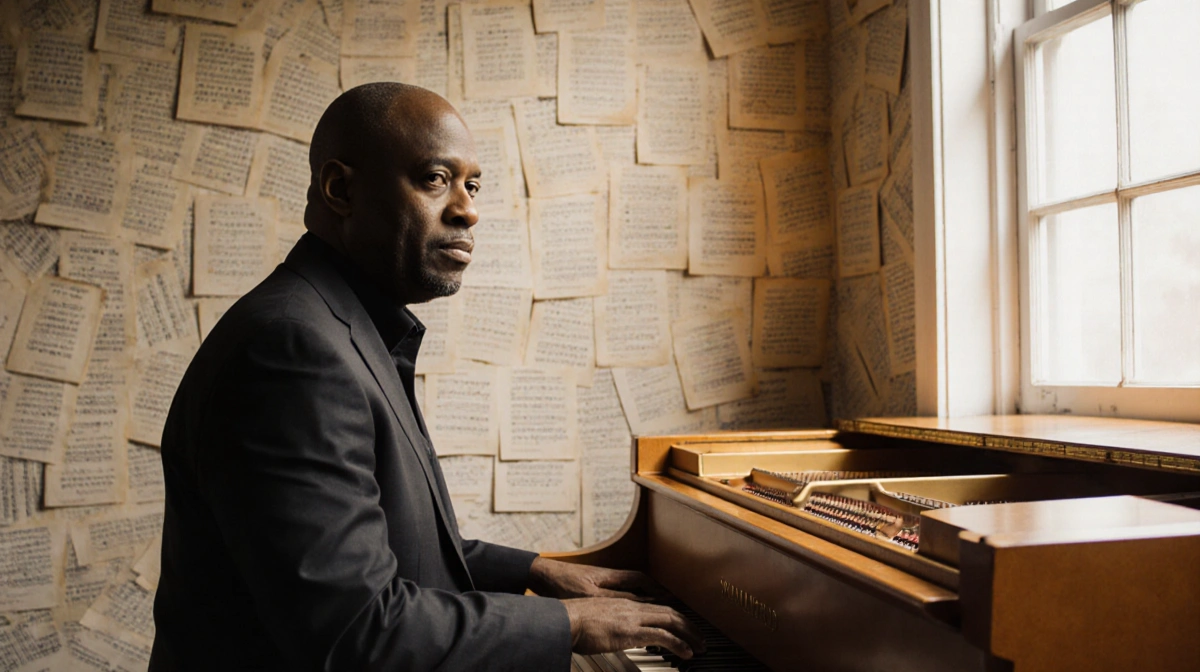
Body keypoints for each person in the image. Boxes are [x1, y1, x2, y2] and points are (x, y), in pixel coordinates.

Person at [149, 83, 705, 671]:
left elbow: (388, 547)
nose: (468, 209)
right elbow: (359, 632)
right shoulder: (293, 352)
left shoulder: (340, 326)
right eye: (436, 179)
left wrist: (535, 571)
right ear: (342, 190)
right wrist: (567, 623)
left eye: (473, 185)